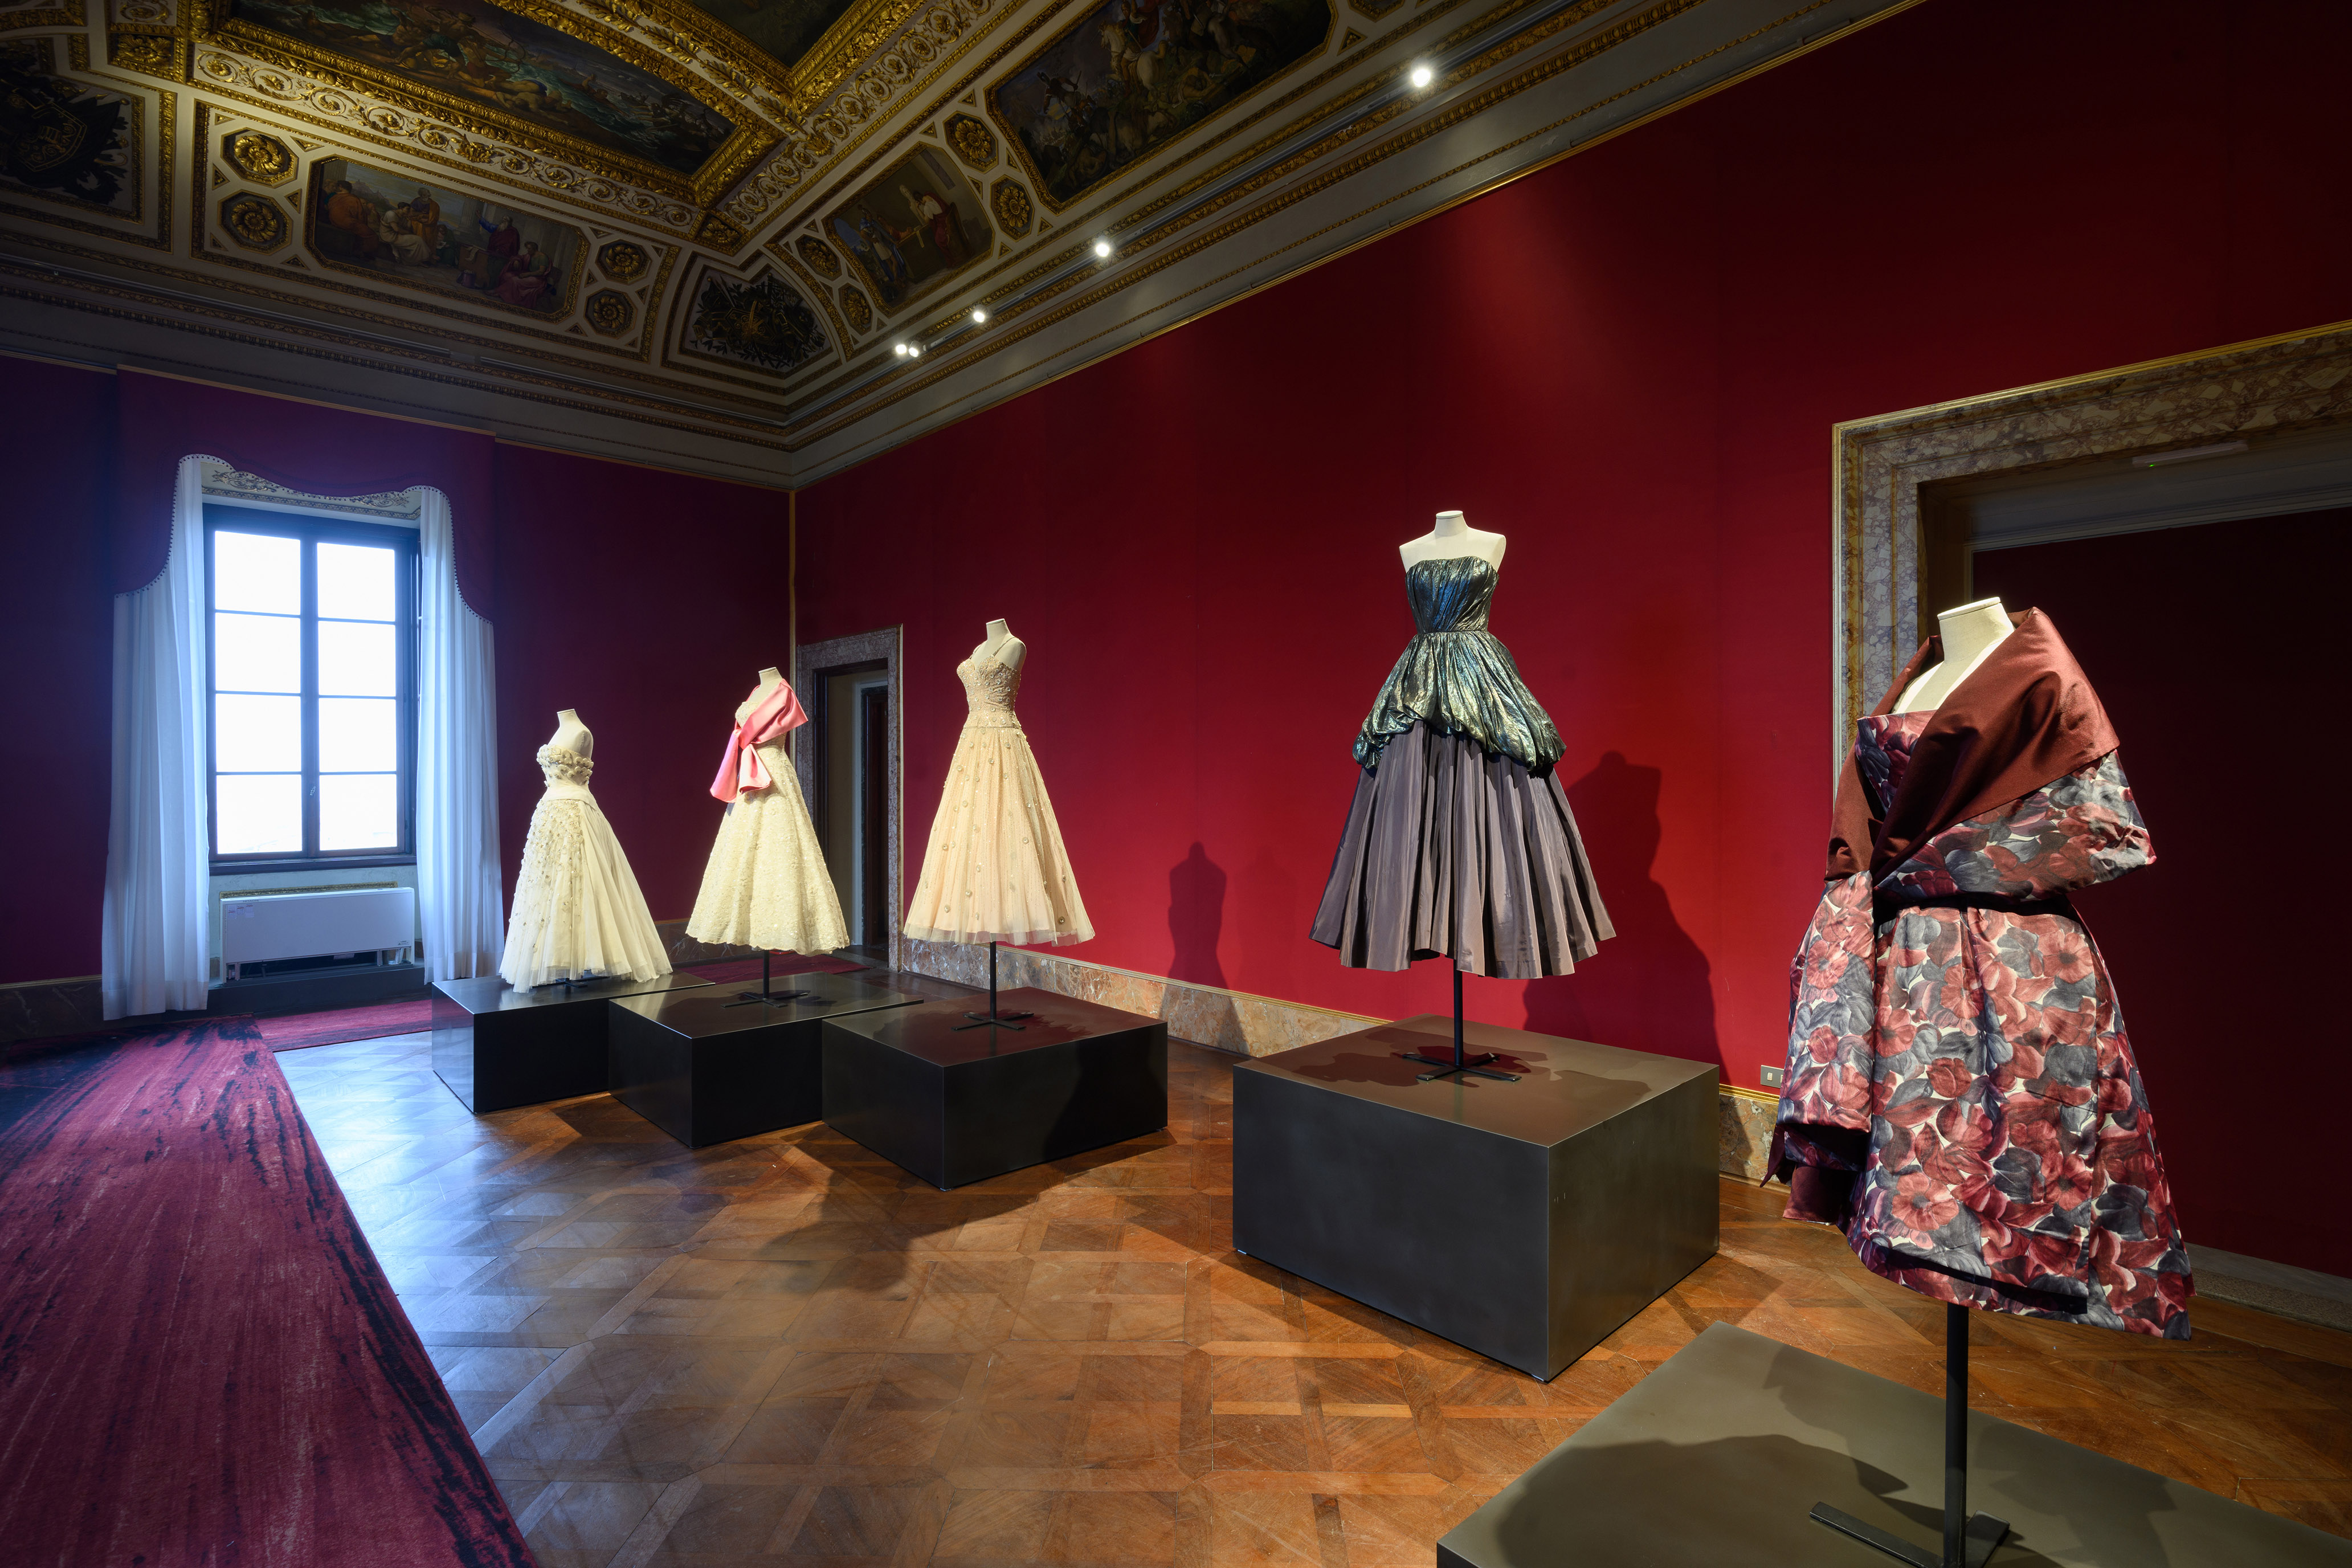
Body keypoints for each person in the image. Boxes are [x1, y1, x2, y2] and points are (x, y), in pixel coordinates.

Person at [324, 179, 382, 257]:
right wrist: (363, 224)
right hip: (346, 223)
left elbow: (327, 208)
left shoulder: (334, 197)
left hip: (333, 220)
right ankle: (365, 254)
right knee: (372, 235)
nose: (336, 188)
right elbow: (360, 215)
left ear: (341, 187)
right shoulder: (353, 199)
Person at [494, 240, 554, 308]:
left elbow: (541, 272)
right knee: (507, 275)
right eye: (527, 249)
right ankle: (500, 292)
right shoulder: (530, 255)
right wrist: (516, 261)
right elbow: (521, 257)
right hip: (530, 275)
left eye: (529, 249)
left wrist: (527, 274)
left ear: (534, 249)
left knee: (515, 280)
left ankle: (500, 294)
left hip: (538, 279)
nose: (528, 250)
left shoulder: (543, 258)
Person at [475, 213, 521, 285]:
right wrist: (480, 218)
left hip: (504, 257)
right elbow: (489, 226)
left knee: (497, 270)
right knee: (489, 268)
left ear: (509, 223)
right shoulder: (498, 228)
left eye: (505, 220)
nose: (502, 221)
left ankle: (493, 286)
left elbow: (515, 246)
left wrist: (513, 258)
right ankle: (489, 284)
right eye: (503, 219)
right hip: (493, 253)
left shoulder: (513, 232)